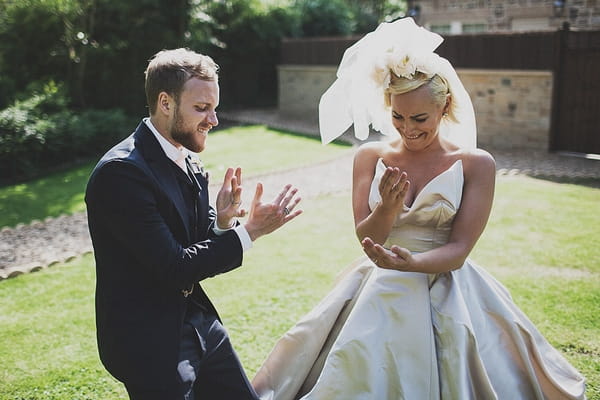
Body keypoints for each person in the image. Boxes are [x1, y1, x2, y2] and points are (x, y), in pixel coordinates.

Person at [251, 18, 586, 400]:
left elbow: (459, 250)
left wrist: (411, 264)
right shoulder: (369, 156)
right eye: (398, 116)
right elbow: (367, 238)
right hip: (379, 279)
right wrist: (388, 211)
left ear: (444, 107)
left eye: (419, 118)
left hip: (446, 280)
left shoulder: (477, 164)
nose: (407, 128)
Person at [85, 48, 302, 400]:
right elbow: (174, 266)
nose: (213, 120)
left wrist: (223, 221)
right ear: (165, 103)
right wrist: (251, 232)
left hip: (200, 323)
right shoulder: (121, 174)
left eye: (214, 108)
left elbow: (190, 243)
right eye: (201, 109)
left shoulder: (189, 160)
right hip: (148, 340)